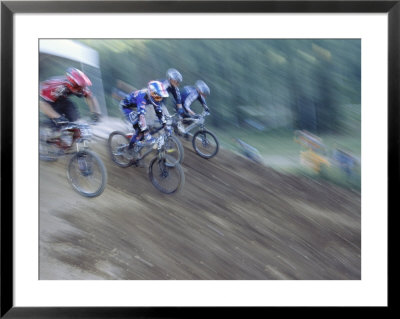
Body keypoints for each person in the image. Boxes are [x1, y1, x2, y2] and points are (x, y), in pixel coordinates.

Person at [119, 80, 169, 151]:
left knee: (144, 126)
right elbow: (141, 116)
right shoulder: (142, 97)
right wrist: (147, 134)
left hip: (135, 106)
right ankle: (129, 149)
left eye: (160, 97)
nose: (158, 100)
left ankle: (138, 141)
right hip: (126, 107)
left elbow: (158, 111)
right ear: (151, 93)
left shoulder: (152, 97)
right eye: (157, 97)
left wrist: (165, 125)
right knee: (139, 128)